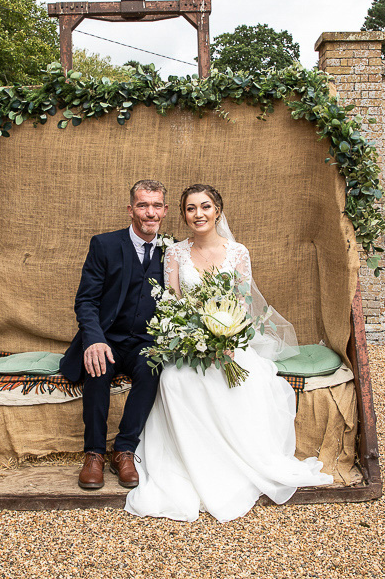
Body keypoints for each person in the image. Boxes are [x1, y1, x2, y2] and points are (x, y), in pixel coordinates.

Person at [124, 184, 333, 522]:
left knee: (241, 381)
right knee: (175, 379)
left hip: (231, 340)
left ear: (217, 210)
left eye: (205, 207)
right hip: (190, 342)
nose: (199, 214)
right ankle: (188, 464)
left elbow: (244, 304)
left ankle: (233, 461)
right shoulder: (175, 253)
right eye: (191, 209)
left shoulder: (237, 252)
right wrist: (192, 336)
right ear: (184, 215)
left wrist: (228, 340)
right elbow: (173, 302)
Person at [59, 179, 168, 490]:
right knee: (97, 366)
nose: (150, 212)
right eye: (143, 205)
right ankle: (93, 453)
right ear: (130, 209)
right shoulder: (104, 245)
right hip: (106, 338)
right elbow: (86, 300)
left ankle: (124, 450)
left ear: (165, 210)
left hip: (146, 342)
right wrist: (93, 339)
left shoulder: (171, 251)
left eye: (156, 205)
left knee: (152, 368)